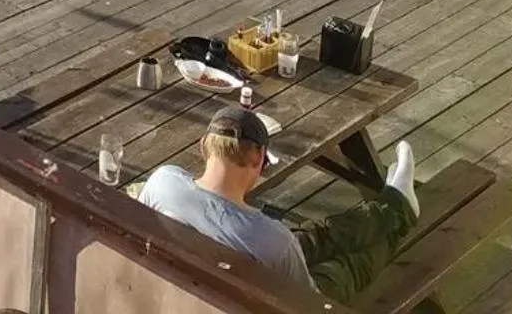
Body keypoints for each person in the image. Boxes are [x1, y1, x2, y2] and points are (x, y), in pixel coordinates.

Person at [138, 107, 418, 302]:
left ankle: (393, 202)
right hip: (282, 298)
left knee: (315, 238)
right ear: (259, 158)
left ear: (203, 146)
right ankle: (401, 208)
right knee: (345, 266)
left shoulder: (163, 182)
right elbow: (306, 302)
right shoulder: (269, 238)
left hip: (192, 288)